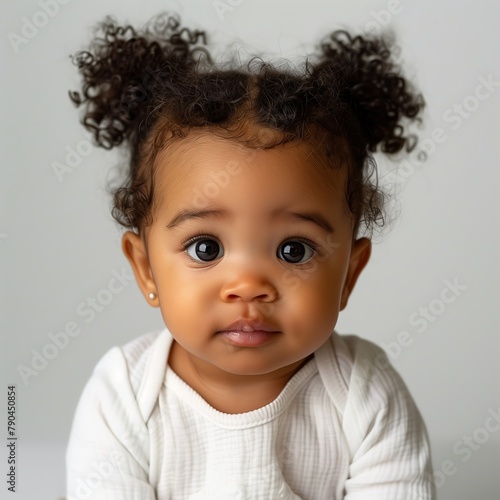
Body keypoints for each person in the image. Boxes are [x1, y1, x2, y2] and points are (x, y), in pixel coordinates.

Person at [65, 12, 435, 499]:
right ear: (145, 267)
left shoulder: (365, 393)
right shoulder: (124, 397)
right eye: (206, 247)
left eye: (293, 249)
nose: (248, 284)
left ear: (349, 274)